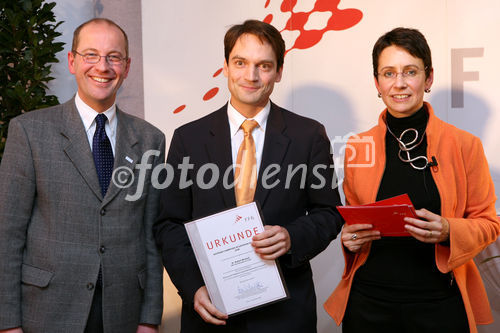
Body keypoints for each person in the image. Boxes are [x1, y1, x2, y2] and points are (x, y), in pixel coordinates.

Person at [154, 19, 343, 333]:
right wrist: (193, 288)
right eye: (240, 63)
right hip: (210, 312)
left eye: (264, 65)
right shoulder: (188, 138)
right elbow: (169, 224)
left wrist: (291, 236)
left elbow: (330, 212)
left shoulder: (308, 135)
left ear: (279, 71)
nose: (251, 76)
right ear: (225, 67)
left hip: (285, 315)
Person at [324, 27, 499, 333]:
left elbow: (490, 223)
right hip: (368, 304)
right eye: (389, 73)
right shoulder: (357, 146)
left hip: (439, 303)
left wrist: (449, 230)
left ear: (428, 78)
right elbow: (354, 225)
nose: (400, 83)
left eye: (410, 72)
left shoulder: (465, 144)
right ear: (377, 83)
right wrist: (349, 241)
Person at [0, 18, 164, 333]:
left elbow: (150, 237)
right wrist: (7, 324)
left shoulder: (150, 140)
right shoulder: (29, 131)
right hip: (48, 311)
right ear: (72, 61)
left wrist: (149, 318)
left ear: (127, 67)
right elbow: (7, 235)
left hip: (123, 313)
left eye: (113, 57)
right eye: (91, 55)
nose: (102, 66)